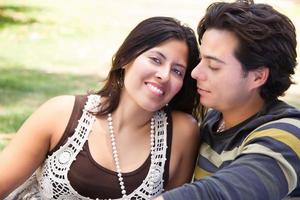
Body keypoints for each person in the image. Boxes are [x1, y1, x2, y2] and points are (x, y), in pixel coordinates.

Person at [0, 16, 205, 199]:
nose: (164, 75)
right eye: (155, 60)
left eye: (177, 71)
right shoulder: (60, 114)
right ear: (126, 58)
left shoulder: (182, 133)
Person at [154, 0, 300, 200]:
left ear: (257, 77)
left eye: (213, 66)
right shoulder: (213, 119)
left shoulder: (288, 134)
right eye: (200, 60)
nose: (196, 73)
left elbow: (222, 194)